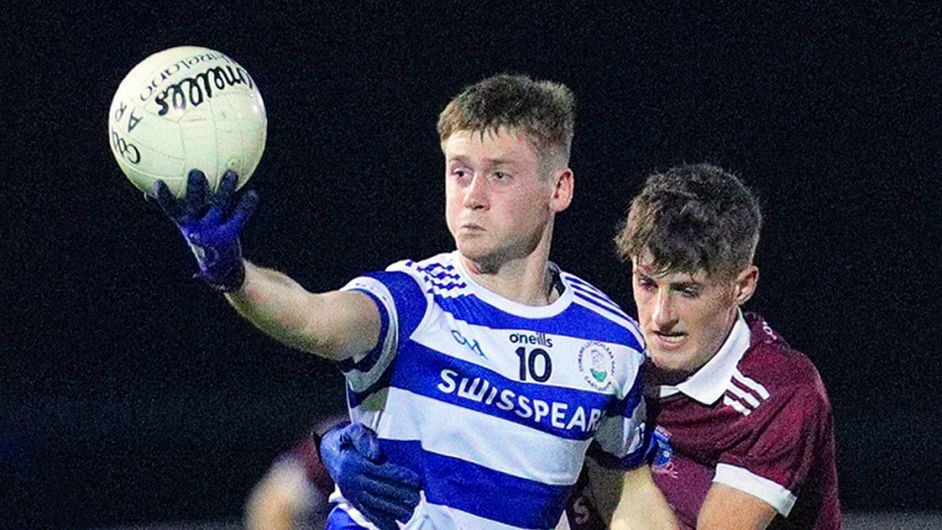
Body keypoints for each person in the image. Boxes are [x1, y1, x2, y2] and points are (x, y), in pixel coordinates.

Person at [154, 74, 677, 529]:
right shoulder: (412, 301)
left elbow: (624, 490)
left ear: (558, 188)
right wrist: (235, 274)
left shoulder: (611, 342)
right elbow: (312, 318)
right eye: (459, 171)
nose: (472, 193)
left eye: (499, 174)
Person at [324, 164, 841, 529]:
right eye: (646, 283)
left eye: (687, 290)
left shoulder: (780, 393)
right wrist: (340, 446)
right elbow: (474, 404)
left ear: (743, 285)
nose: (660, 316)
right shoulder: (605, 353)